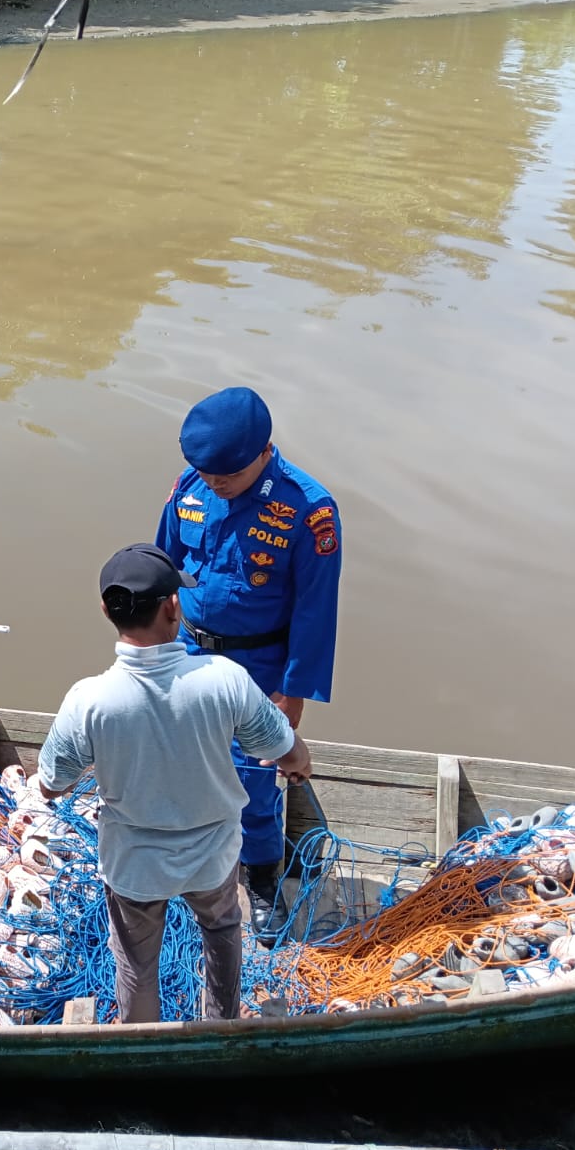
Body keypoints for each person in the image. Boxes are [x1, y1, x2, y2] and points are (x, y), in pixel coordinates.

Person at [36, 544, 313, 1024]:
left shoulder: (89, 700)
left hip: (134, 867)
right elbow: (284, 748)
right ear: (173, 606)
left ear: (107, 611)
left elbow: (51, 784)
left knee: (137, 966)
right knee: (222, 932)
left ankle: (144, 1046)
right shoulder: (224, 679)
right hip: (213, 858)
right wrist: (298, 761)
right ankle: (219, 1028)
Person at [154, 386, 341, 934]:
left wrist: (293, 693)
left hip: (258, 669)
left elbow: (315, 611)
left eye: (227, 476)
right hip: (184, 650)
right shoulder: (191, 485)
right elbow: (163, 565)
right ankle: (188, 865)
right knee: (178, 759)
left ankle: (260, 879)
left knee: (255, 780)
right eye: (207, 474)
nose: (215, 484)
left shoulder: (309, 511)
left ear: (264, 451)